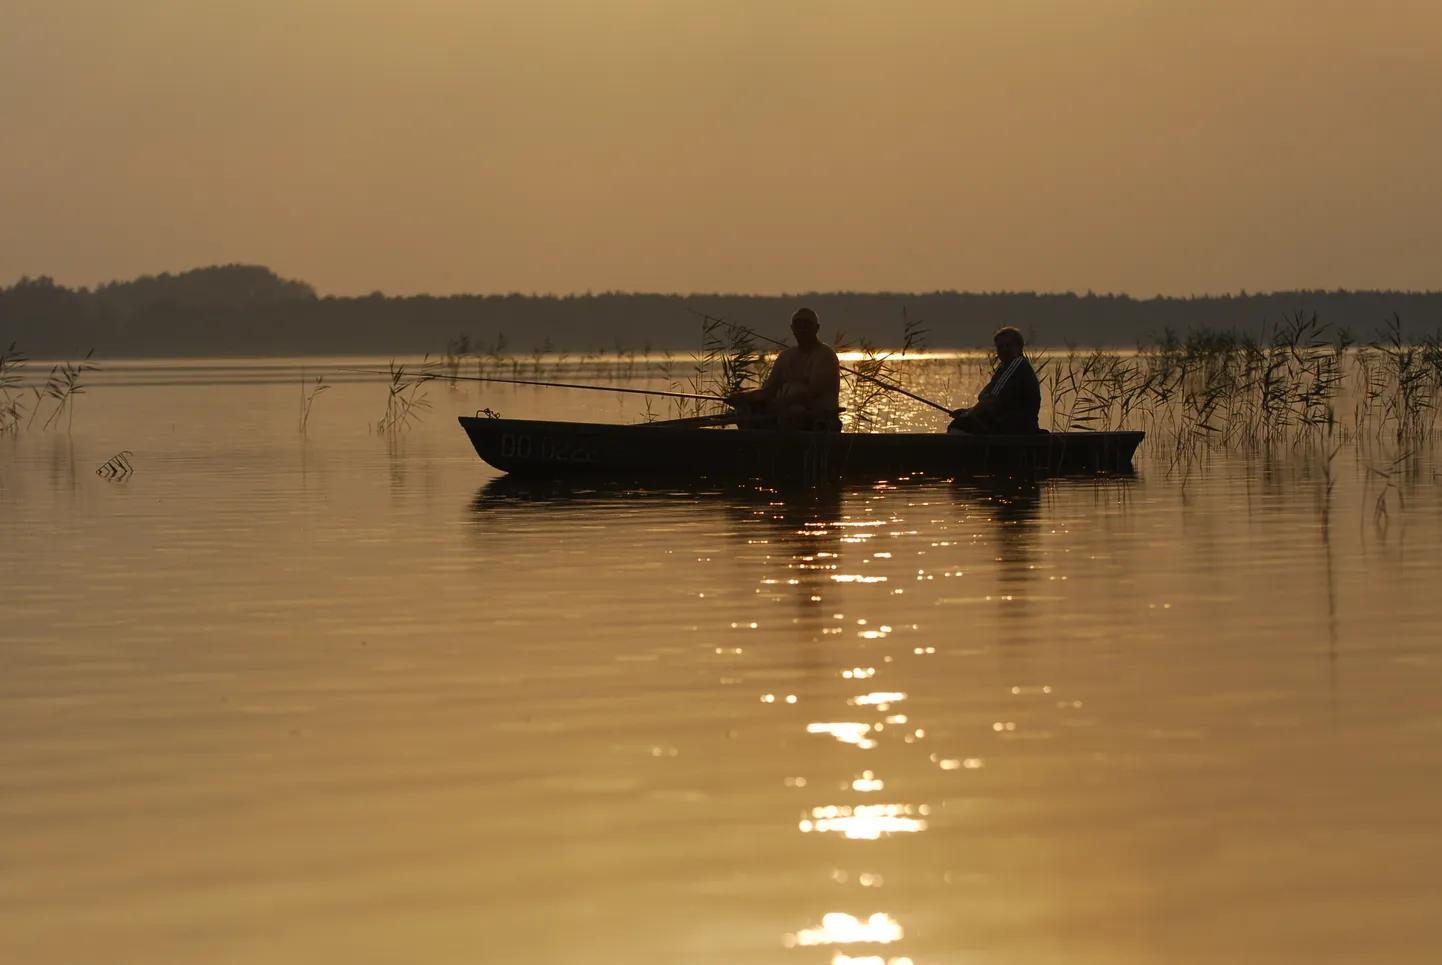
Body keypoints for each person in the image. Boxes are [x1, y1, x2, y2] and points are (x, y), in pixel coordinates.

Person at [726, 307, 842, 430]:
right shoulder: (785, 356)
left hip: (817, 417)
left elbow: (814, 391)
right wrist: (743, 397)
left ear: (816, 328)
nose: (802, 326)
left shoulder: (825, 354)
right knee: (748, 409)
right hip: (785, 413)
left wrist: (780, 402)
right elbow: (768, 391)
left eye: (807, 323)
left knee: (791, 415)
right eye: (797, 323)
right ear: (792, 328)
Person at [948, 326, 1041, 434]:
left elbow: (990, 399)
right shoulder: (1004, 368)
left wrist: (967, 414)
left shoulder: (1016, 364)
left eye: (1008, 345)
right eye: (1001, 346)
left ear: (1019, 347)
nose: (1004, 349)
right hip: (1007, 423)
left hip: (1017, 427)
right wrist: (967, 411)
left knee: (958, 425)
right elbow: (990, 399)